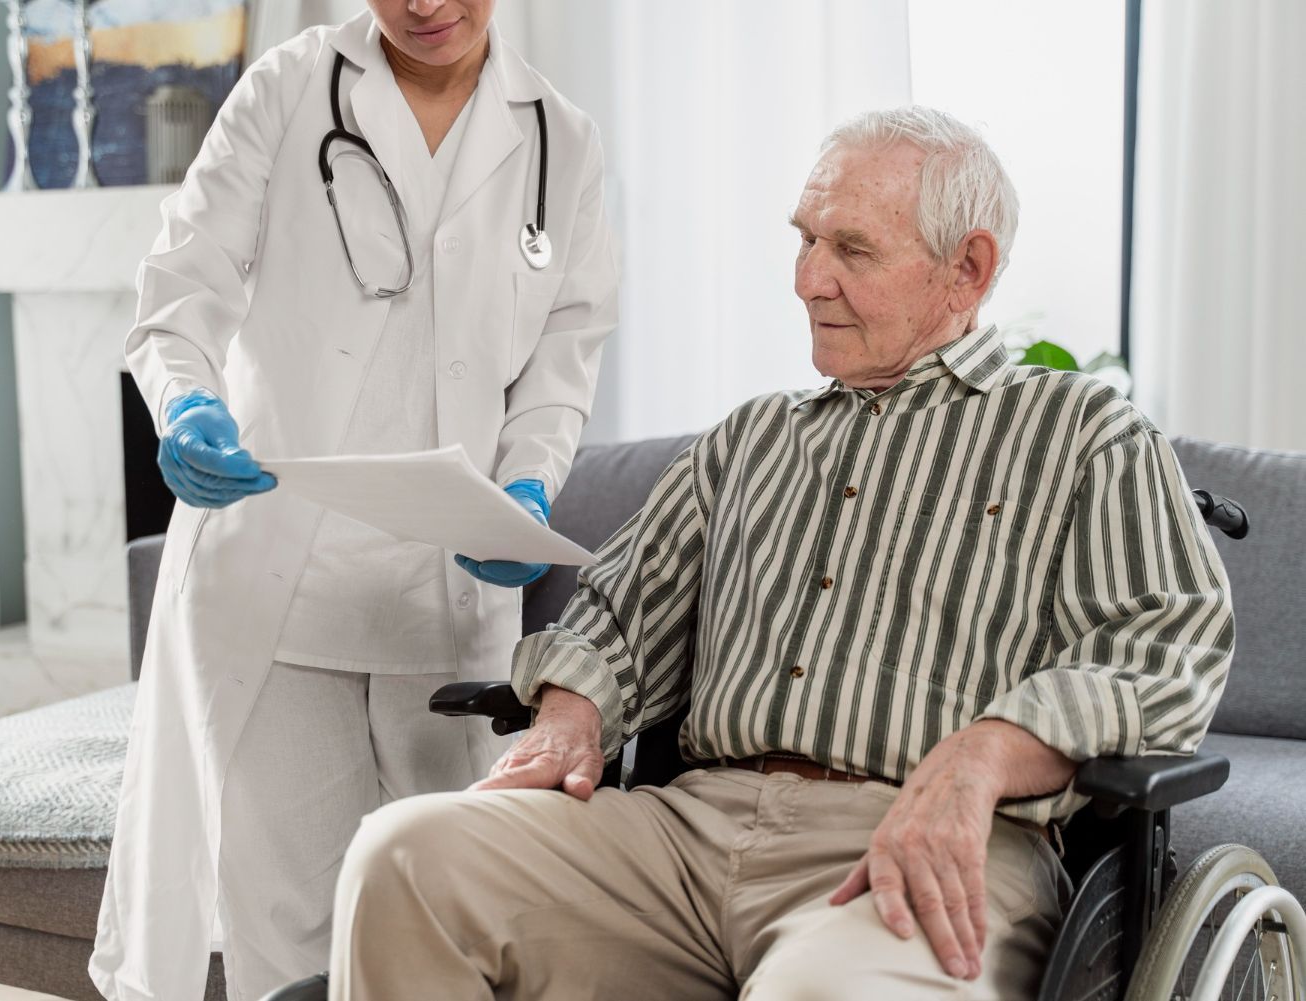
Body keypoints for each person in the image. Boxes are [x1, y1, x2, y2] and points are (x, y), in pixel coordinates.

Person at [327, 107, 1235, 1000]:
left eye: (853, 250)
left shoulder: (1083, 433)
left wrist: (987, 752)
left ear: (968, 269)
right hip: (685, 836)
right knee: (401, 857)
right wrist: (572, 711)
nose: (808, 280)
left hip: (925, 843)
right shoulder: (749, 439)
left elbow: (1168, 648)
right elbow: (616, 615)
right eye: (804, 240)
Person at [88, 1, 618, 998]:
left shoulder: (560, 140)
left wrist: (529, 481)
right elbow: (178, 294)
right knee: (286, 941)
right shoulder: (288, 92)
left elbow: (562, 362)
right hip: (281, 586)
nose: (423, 7)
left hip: (445, 598)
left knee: (446, 931)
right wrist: (188, 403)